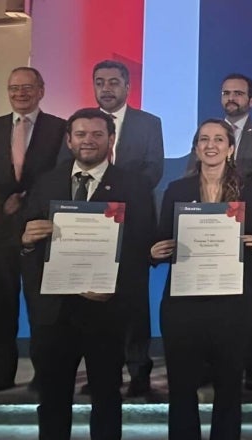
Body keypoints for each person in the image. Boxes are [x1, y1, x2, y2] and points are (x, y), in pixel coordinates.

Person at [20, 108, 154, 440]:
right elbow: (23, 240)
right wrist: (25, 241)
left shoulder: (134, 185)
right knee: (52, 399)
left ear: (111, 140)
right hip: (54, 312)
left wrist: (114, 288)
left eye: (96, 134)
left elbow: (140, 249)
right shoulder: (47, 181)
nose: (88, 141)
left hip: (104, 311)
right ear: (68, 140)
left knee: (107, 398)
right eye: (80, 134)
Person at [151, 119, 252, 440]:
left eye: (219, 139)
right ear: (196, 147)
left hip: (231, 304)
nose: (211, 145)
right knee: (182, 388)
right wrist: (155, 250)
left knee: (229, 388)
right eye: (204, 139)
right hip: (184, 305)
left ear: (231, 148)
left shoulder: (249, 189)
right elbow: (161, 241)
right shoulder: (177, 190)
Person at [64, 59, 165, 397]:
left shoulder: (149, 123)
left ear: (127, 87)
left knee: (134, 302)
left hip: (134, 222)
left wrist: (119, 192)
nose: (106, 88)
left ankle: (139, 372)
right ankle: (101, 371)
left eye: (113, 82)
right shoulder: (83, 124)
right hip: (90, 226)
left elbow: (153, 169)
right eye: (99, 82)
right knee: (95, 303)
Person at [0, 67, 66, 394]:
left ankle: (45, 371)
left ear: (41, 90)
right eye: (14, 88)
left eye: (27, 87)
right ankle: (1, 371)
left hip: (41, 229)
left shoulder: (60, 128)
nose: (20, 93)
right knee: (2, 305)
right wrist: (1, 201)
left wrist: (28, 202)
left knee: (42, 307)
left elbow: (63, 173)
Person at [186, 73, 252, 390]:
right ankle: (209, 365)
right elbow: (192, 172)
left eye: (238, 93)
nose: (232, 98)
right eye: (226, 92)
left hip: (251, 227)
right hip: (206, 232)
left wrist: (228, 172)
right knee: (209, 304)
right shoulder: (205, 134)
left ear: (251, 100)